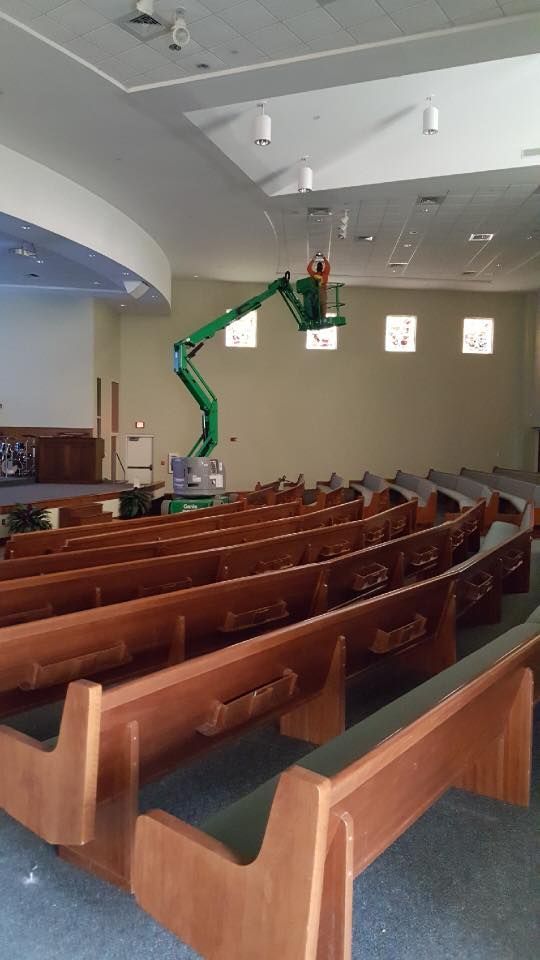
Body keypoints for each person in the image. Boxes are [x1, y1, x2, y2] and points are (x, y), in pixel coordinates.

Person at [307, 254, 330, 320]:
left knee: (323, 305)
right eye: (319, 266)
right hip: (316, 292)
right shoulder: (315, 274)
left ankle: (323, 318)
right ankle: (316, 317)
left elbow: (328, 266)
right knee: (317, 305)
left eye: (320, 266)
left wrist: (324, 258)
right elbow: (308, 269)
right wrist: (314, 259)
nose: (319, 267)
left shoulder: (324, 273)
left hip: (321, 291)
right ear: (317, 268)